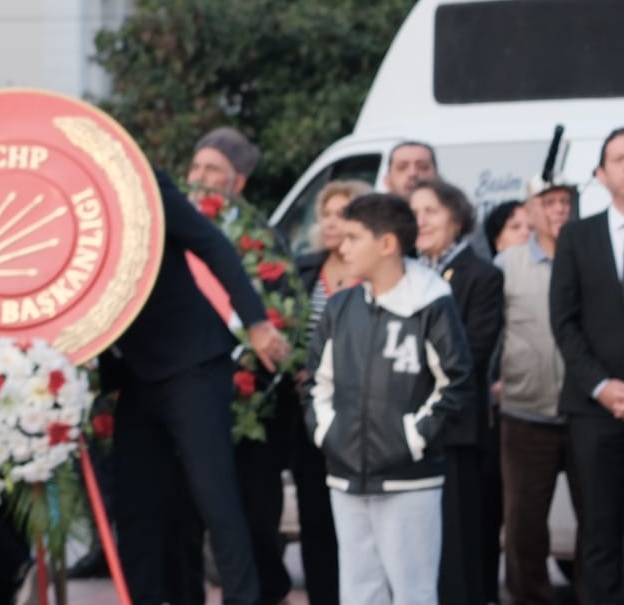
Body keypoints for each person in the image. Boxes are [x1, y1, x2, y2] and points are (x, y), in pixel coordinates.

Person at [111, 169, 290, 605]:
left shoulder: (139, 179)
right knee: (134, 502)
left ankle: (243, 599)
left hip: (193, 361)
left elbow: (211, 243)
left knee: (215, 495)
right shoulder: (67, 195)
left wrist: (256, 322)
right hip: (134, 371)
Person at [308, 193, 472, 605]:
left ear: (386, 244)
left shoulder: (431, 303)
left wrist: (411, 439)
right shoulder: (341, 306)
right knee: (358, 593)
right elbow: (316, 383)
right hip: (345, 475)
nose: (342, 246)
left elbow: (456, 383)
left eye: (353, 237)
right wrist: (330, 435)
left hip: (409, 479)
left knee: (413, 593)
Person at [178, 127, 293, 605]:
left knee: (253, 511)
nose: (200, 177)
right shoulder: (169, 228)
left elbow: (282, 309)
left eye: (213, 170)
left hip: (247, 397)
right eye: (196, 167)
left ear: (238, 183)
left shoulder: (262, 239)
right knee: (183, 517)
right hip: (183, 390)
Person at [549, 128, 624, 605]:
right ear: (601, 173)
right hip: (594, 410)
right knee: (599, 525)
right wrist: (603, 387)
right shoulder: (576, 236)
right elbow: (564, 321)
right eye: (619, 158)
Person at [410, 179, 503, 605]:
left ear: (457, 218)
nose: (420, 221)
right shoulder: (404, 273)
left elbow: (473, 352)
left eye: (430, 211)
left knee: (457, 546)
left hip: (455, 431)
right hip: (405, 430)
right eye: (414, 213)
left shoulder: (482, 276)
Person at [495, 181, 574, 605]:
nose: (559, 209)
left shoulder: (589, 256)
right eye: (549, 202)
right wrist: (494, 380)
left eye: (566, 201)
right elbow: (490, 328)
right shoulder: (507, 263)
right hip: (525, 412)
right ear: (530, 209)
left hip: (587, 410)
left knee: (602, 521)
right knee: (524, 525)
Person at [293, 179, 372, 605]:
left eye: (341, 214)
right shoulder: (302, 271)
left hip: (361, 416)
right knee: (315, 515)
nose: (330, 222)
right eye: (325, 213)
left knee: (358, 522)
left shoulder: (374, 275)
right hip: (309, 416)